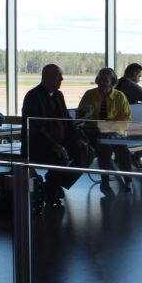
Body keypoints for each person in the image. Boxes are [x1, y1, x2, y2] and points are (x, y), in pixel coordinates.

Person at [21, 64, 94, 206]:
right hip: (39, 145)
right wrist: (54, 145)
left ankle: (52, 184)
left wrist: (78, 139)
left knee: (87, 152)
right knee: (60, 156)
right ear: (46, 77)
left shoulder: (59, 95)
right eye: (58, 76)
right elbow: (36, 126)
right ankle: (53, 186)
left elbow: (66, 119)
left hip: (61, 142)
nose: (62, 78)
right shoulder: (33, 96)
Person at [78, 67, 134, 191]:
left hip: (113, 131)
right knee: (104, 144)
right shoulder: (89, 94)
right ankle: (105, 180)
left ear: (113, 82)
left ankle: (128, 180)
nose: (101, 83)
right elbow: (79, 115)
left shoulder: (120, 96)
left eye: (105, 81)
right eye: (100, 80)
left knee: (123, 149)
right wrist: (84, 113)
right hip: (92, 132)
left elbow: (126, 119)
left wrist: (111, 127)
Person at [115, 63, 142, 169]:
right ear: (134, 74)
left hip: (115, 123)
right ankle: (134, 157)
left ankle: (122, 157)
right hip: (126, 124)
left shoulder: (118, 83)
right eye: (139, 76)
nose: (139, 79)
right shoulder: (129, 85)